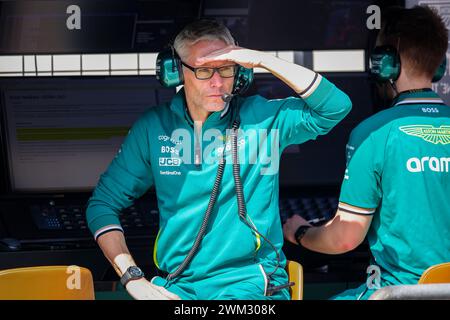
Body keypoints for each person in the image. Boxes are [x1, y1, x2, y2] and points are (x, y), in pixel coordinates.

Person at [86, 19, 352, 300]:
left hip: (251, 286)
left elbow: (335, 108)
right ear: (177, 72)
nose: (216, 82)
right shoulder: (154, 128)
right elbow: (102, 205)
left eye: (225, 68)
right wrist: (133, 278)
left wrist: (263, 61)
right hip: (176, 287)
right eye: (203, 70)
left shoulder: (264, 118)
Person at [283, 5, 450, 300]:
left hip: (398, 292)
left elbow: (344, 239)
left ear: (386, 64)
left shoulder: (374, 133)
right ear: (439, 66)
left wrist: (300, 232)